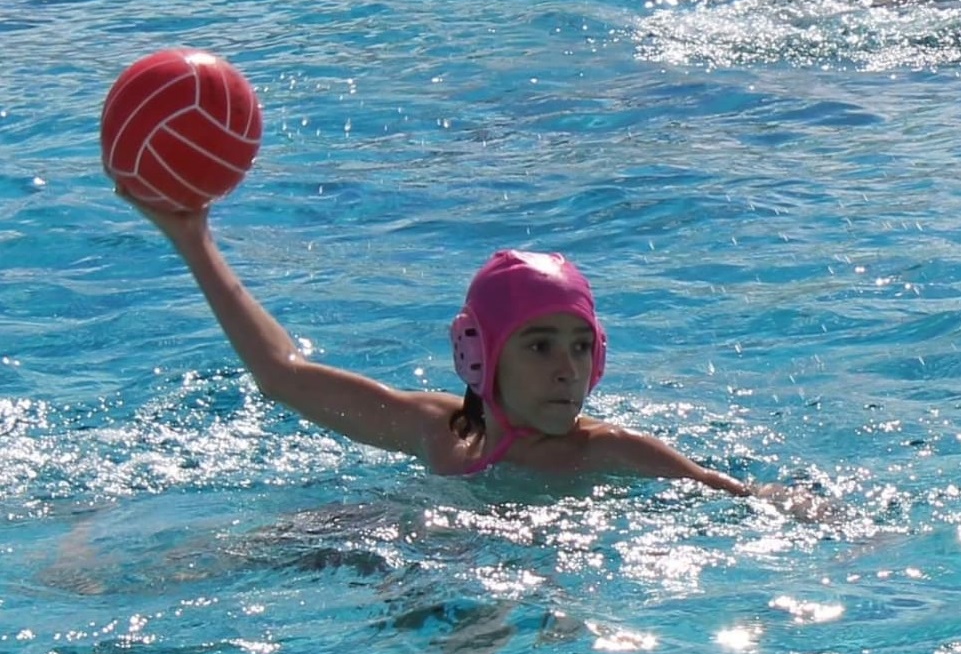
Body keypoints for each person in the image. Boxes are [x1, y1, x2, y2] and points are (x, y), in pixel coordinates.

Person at [116, 189, 795, 501]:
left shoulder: (608, 451)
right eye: (538, 345)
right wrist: (193, 239)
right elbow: (282, 374)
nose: (568, 368)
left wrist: (798, 507)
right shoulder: (435, 430)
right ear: (479, 355)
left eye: (581, 346)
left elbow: (732, 494)